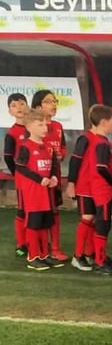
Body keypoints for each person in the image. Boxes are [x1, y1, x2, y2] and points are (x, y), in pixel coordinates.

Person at [67, 106, 112, 271]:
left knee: (94, 219)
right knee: (88, 217)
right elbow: (75, 161)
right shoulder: (85, 139)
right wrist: (71, 183)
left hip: (95, 186)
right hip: (85, 187)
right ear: (103, 122)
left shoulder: (102, 141)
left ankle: (91, 253)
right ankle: (78, 256)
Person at [15, 109, 63, 270]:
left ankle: (44, 255)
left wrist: (54, 177)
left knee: (45, 223)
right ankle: (32, 256)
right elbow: (20, 167)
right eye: (40, 124)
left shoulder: (48, 146)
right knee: (34, 224)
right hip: (33, 192)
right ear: (29, 126)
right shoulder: (26, 147)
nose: (44, 127)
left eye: (45, 124)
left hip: (46, 193)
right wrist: (39, 179)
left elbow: (53, 166)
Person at [32, 89, 68, 262]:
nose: (53, 105)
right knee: (38, 214)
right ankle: (37, 249)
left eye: (55, 101)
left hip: (54, 177)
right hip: (38, 180)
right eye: (48, 101)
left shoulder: (58, 127)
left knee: (54, 212)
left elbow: (63, 147)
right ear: (38, 106)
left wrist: (60, 154)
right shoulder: (32, 127)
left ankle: (55, 248)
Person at [88, 104, 112, 275]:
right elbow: (101, 167)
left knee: (103, 223)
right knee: (103, 224)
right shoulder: (101, 143)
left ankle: (101, 256)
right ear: (103, 122)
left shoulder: (101, 141)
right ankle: (100, 260)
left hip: (101, 188)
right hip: (102, 190)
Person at [3, 93, 28, 258]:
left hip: (38, 179)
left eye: (21, 103)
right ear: (10, 111)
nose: (18, 108)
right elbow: (7, 156)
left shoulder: (35, 127)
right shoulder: (12, 133)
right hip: (23, 179)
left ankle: (35, 240)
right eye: (14, 105)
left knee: (38, 211)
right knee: (22, 210)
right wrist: (17, 174)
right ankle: (21, 243)